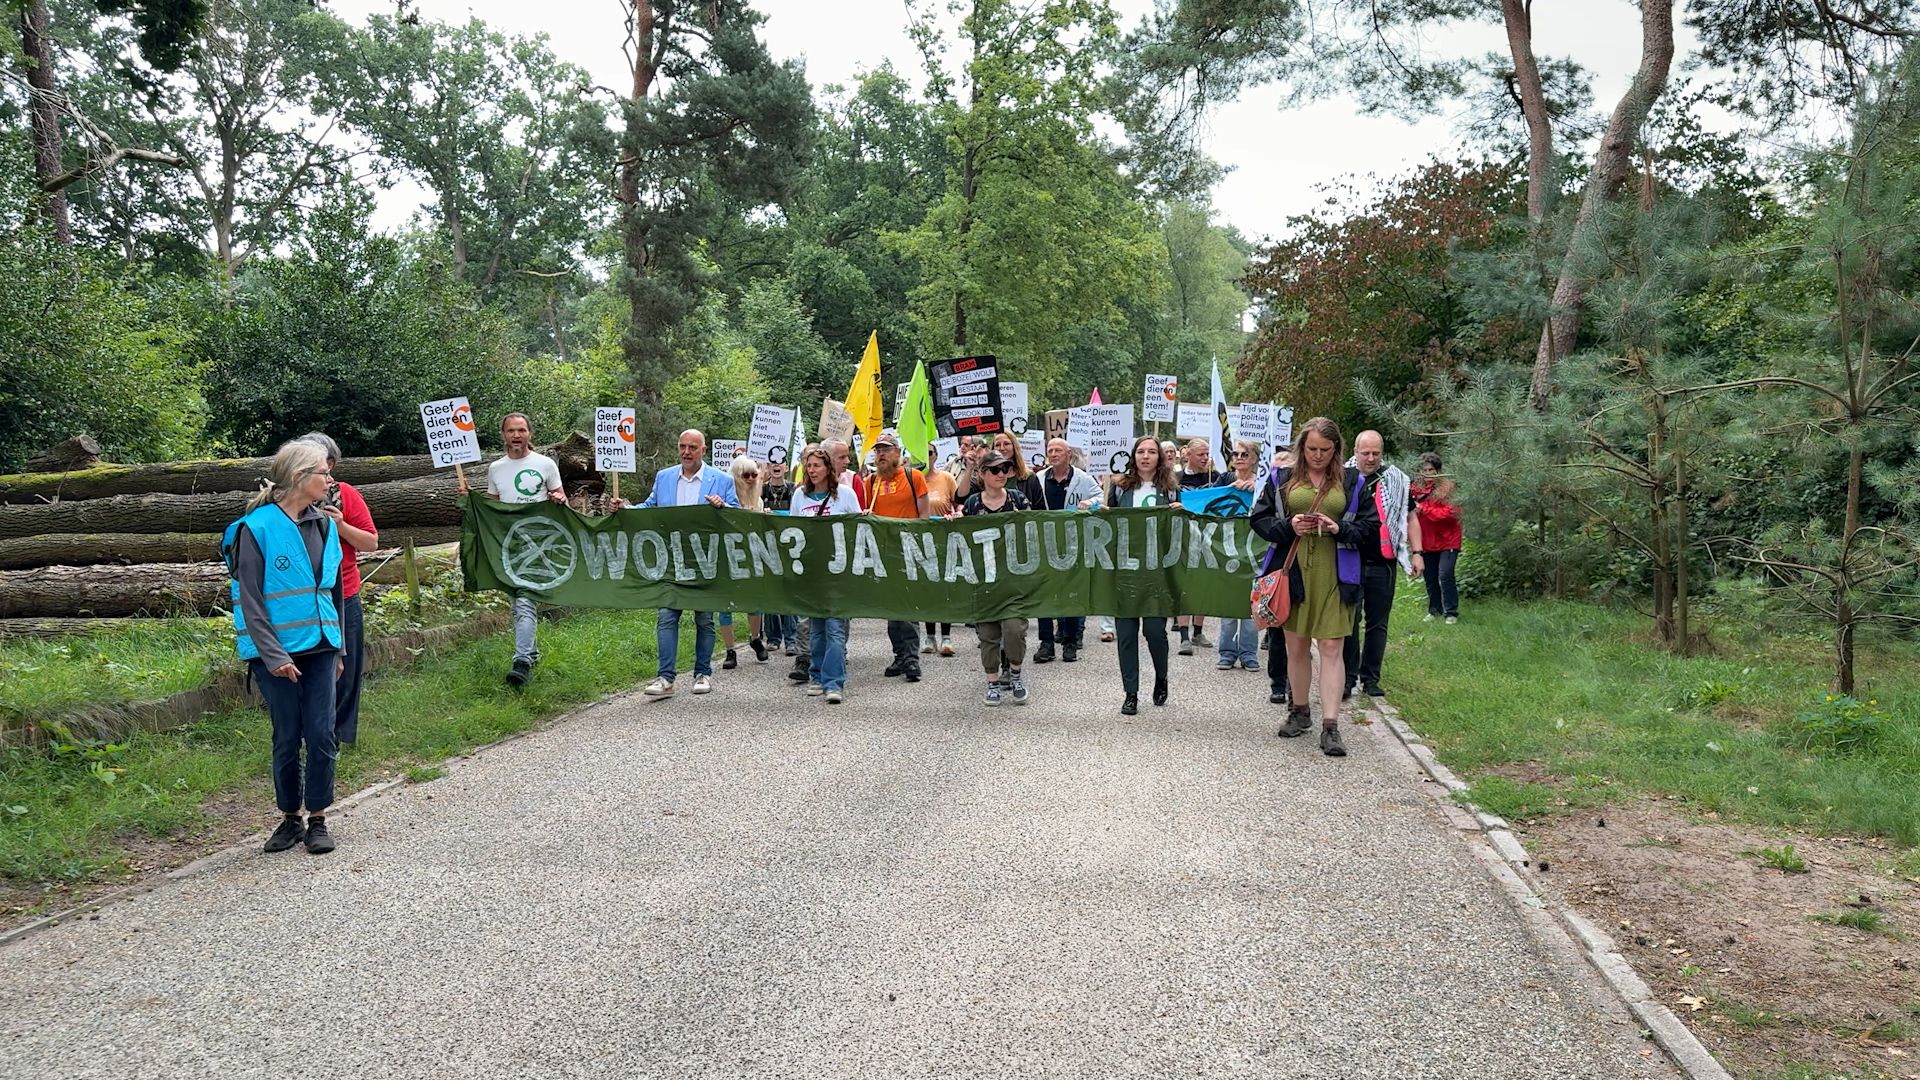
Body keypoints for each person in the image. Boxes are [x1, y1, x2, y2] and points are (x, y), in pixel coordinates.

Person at [221, 440, 345, 855]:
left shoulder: (325, 524)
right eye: (323, 474)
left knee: (322, 733)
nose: (330, 480)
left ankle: (318, 819)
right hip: (275, 654)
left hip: (322, 647)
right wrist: (274, 657)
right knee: (288, 735)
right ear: (299, 478)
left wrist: (339, 649)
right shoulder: (254, 529)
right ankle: (290, 818)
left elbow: (335, 590)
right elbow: (250, 600)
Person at [1249, 417, 1364, 756]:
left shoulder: (1354, 481)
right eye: (1312, 449)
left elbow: (1370, 528)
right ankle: (1299, 711)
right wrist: (1289, 526)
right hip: (1293, 571)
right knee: (1295, 645)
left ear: (1336, 450)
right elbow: (1259, 520)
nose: (1318, 455)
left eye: (1325, 450)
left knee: (1331, 647)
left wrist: (1338, 527)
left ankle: (1331, 726)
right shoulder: (1281, 478)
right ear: (1301, 448)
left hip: (1336, 573)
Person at [461, 413, 565, 688]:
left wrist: (558, 500)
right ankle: (532, 653)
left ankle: (521, 663)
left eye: (521, 430)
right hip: (509, 546)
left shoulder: (545, 464)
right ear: (503, 434)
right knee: (518, 603)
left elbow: (561, 499)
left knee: (524, 601)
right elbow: (494, 509)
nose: (516, 435)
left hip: (539, 542)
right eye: (511, 431)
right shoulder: (496, 469)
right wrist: (472, 501)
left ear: (530, 433)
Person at [638, 430, 739, 699]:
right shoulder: (665, 477)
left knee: (704, 619)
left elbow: (737, 515)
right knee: (666, 616)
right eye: (682, 446)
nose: (686, 452)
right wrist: (623, 509)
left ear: (703, 450)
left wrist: (723, 508)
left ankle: (702, 672)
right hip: (671, 561)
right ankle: (665, 677)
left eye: (692, 447)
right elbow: (650, 507)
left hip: (705, 561)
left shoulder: (722, 480)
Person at [296, 432, 378, 746]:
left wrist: (341, 525)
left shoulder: (346, 495)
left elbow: (371, 542)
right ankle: (308, 732)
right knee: (309, 663)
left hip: (344, 593)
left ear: (330, 463)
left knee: (347, 667)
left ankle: (340, 737)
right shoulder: (288, 496)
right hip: (303, 597)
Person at [1342, 431, 1424, 700]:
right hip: (1349, 558)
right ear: (1355, 451)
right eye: (1365, 453)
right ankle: (1347, 677)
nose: (1371, 458)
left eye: (1376, 453)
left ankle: (1371, 679)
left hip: (1383, 561)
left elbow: (1409, 517)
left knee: (1378, 623)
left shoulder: (1397, 480)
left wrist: (1417, 552)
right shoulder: (1342, 477)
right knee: (1349, 622)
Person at [1104, 433, 1180, 715]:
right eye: (1140, 452)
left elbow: (1178, 531)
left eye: (1151, 451)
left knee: (1154, 632)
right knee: (1125, 634)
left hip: (1156, 573)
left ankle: (1161, 677)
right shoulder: (1119, 487)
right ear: (1133, 456)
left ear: (1159, 457)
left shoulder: (1171, 489)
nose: (1145, 456)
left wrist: (1180, 514)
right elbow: (1110, 525)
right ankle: (1131, 692)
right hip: (1125, 571)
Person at [955, 451, 1031, 706]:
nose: (1002, 474)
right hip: (984, 581)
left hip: (1013, 580)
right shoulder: (974, 504)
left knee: (1014, 630)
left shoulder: (1019, 499)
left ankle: (1016, 675)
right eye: (995, 470)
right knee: (988, 635)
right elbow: (960, 535)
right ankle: (992, 683)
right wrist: (951, 522)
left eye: (1006, 469)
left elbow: (1036, 528)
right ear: (983, 474)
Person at [792, 444, 862, 703]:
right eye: (808, 466)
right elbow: (793, 530)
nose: (812, 470)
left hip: (838, 573)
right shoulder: (799, 496)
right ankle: (817, 675)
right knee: (816, 629)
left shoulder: (844, 495)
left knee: (834, 628)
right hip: (812, 573)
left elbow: (858, 529)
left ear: (828, 469)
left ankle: (835, 682)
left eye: (816, 465)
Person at [867, 431, 930, 682]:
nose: (881, 454)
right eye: (878, 450)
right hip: (885, 554)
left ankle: (912, 657)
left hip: (909, 550)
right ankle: (899, 654)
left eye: (886, 449)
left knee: (908, 604)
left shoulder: (913, 477)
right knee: (892, 608)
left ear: (897, 453)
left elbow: (924, 515)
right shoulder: (871, 481)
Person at [1032, 437, 1101, 663]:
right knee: (1044, 594)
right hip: (1045, 543)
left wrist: (1089, 504)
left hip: (1073, 543)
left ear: (1068, 453)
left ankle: (1070, 642)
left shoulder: (1083, 478)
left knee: (1072, 593)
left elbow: (1099, 496)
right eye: (1050, 450)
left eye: (1057, 450)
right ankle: (1046, 643)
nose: (1053, 454)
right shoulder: (1039, 478)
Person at [1214, 439, 1263, 673]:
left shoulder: (1263, 484)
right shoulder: (1224, 480)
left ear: (1254, 458)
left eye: (1245, 454)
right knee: (1228, 602)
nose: (1239, 458)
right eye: (1235, 454)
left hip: (1254, 550)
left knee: (1251, 603)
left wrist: (1258, 490)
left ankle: (1248, 653)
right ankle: (1226, 652)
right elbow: (1210, 503)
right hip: (1227, 549)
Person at [1175, 438, 1227, 654]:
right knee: (1185, 585)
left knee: (1204, 583)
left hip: (1208, 537)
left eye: (1207, 454)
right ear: (1188, 455)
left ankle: (1198, 630)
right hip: (1183, 537)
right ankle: (1184, 635)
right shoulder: (1176, 478)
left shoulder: (1216, 479)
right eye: (1201, 455)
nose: (1205, 458)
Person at [727, 455, 770, 664]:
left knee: (755, 601)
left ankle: (755, 638)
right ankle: (730, 650)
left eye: (755, 474)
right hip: (727, 556)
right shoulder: (725, 499)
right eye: (746, 475)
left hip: (751, 556)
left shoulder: (758, 500)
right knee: (724, 604)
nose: (752, 479)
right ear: (736, 476)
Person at [1411, 451, 1463, 624]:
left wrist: (1424, 510)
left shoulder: (1447, 487)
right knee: (1430, 576)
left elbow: (1451, 513)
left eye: (1431, 470)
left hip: (1448, 539)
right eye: (1424, 470)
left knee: (1445, 574)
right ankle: (1434, 610)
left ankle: (1451, 612)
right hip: (1427, 539)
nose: (1427, 474)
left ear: (1438, 470)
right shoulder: (1416, 488)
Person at [921, 454, 959, 657]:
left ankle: (946, 637)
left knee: (945, 587)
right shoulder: (913, 478)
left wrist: (955, 514)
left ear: (936, 456)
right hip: (922, 540)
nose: (926, 457)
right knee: (928, 588)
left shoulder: (946, 478)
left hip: (944, 537)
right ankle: (929, 636)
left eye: (930, 453)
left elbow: (958, 504)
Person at [825, 439, 868, 507]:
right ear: (827, 458)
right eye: (842, 457)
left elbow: (860, 513)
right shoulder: (813, 481)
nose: (847, 461)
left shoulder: (854, 480)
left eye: (847, 456)